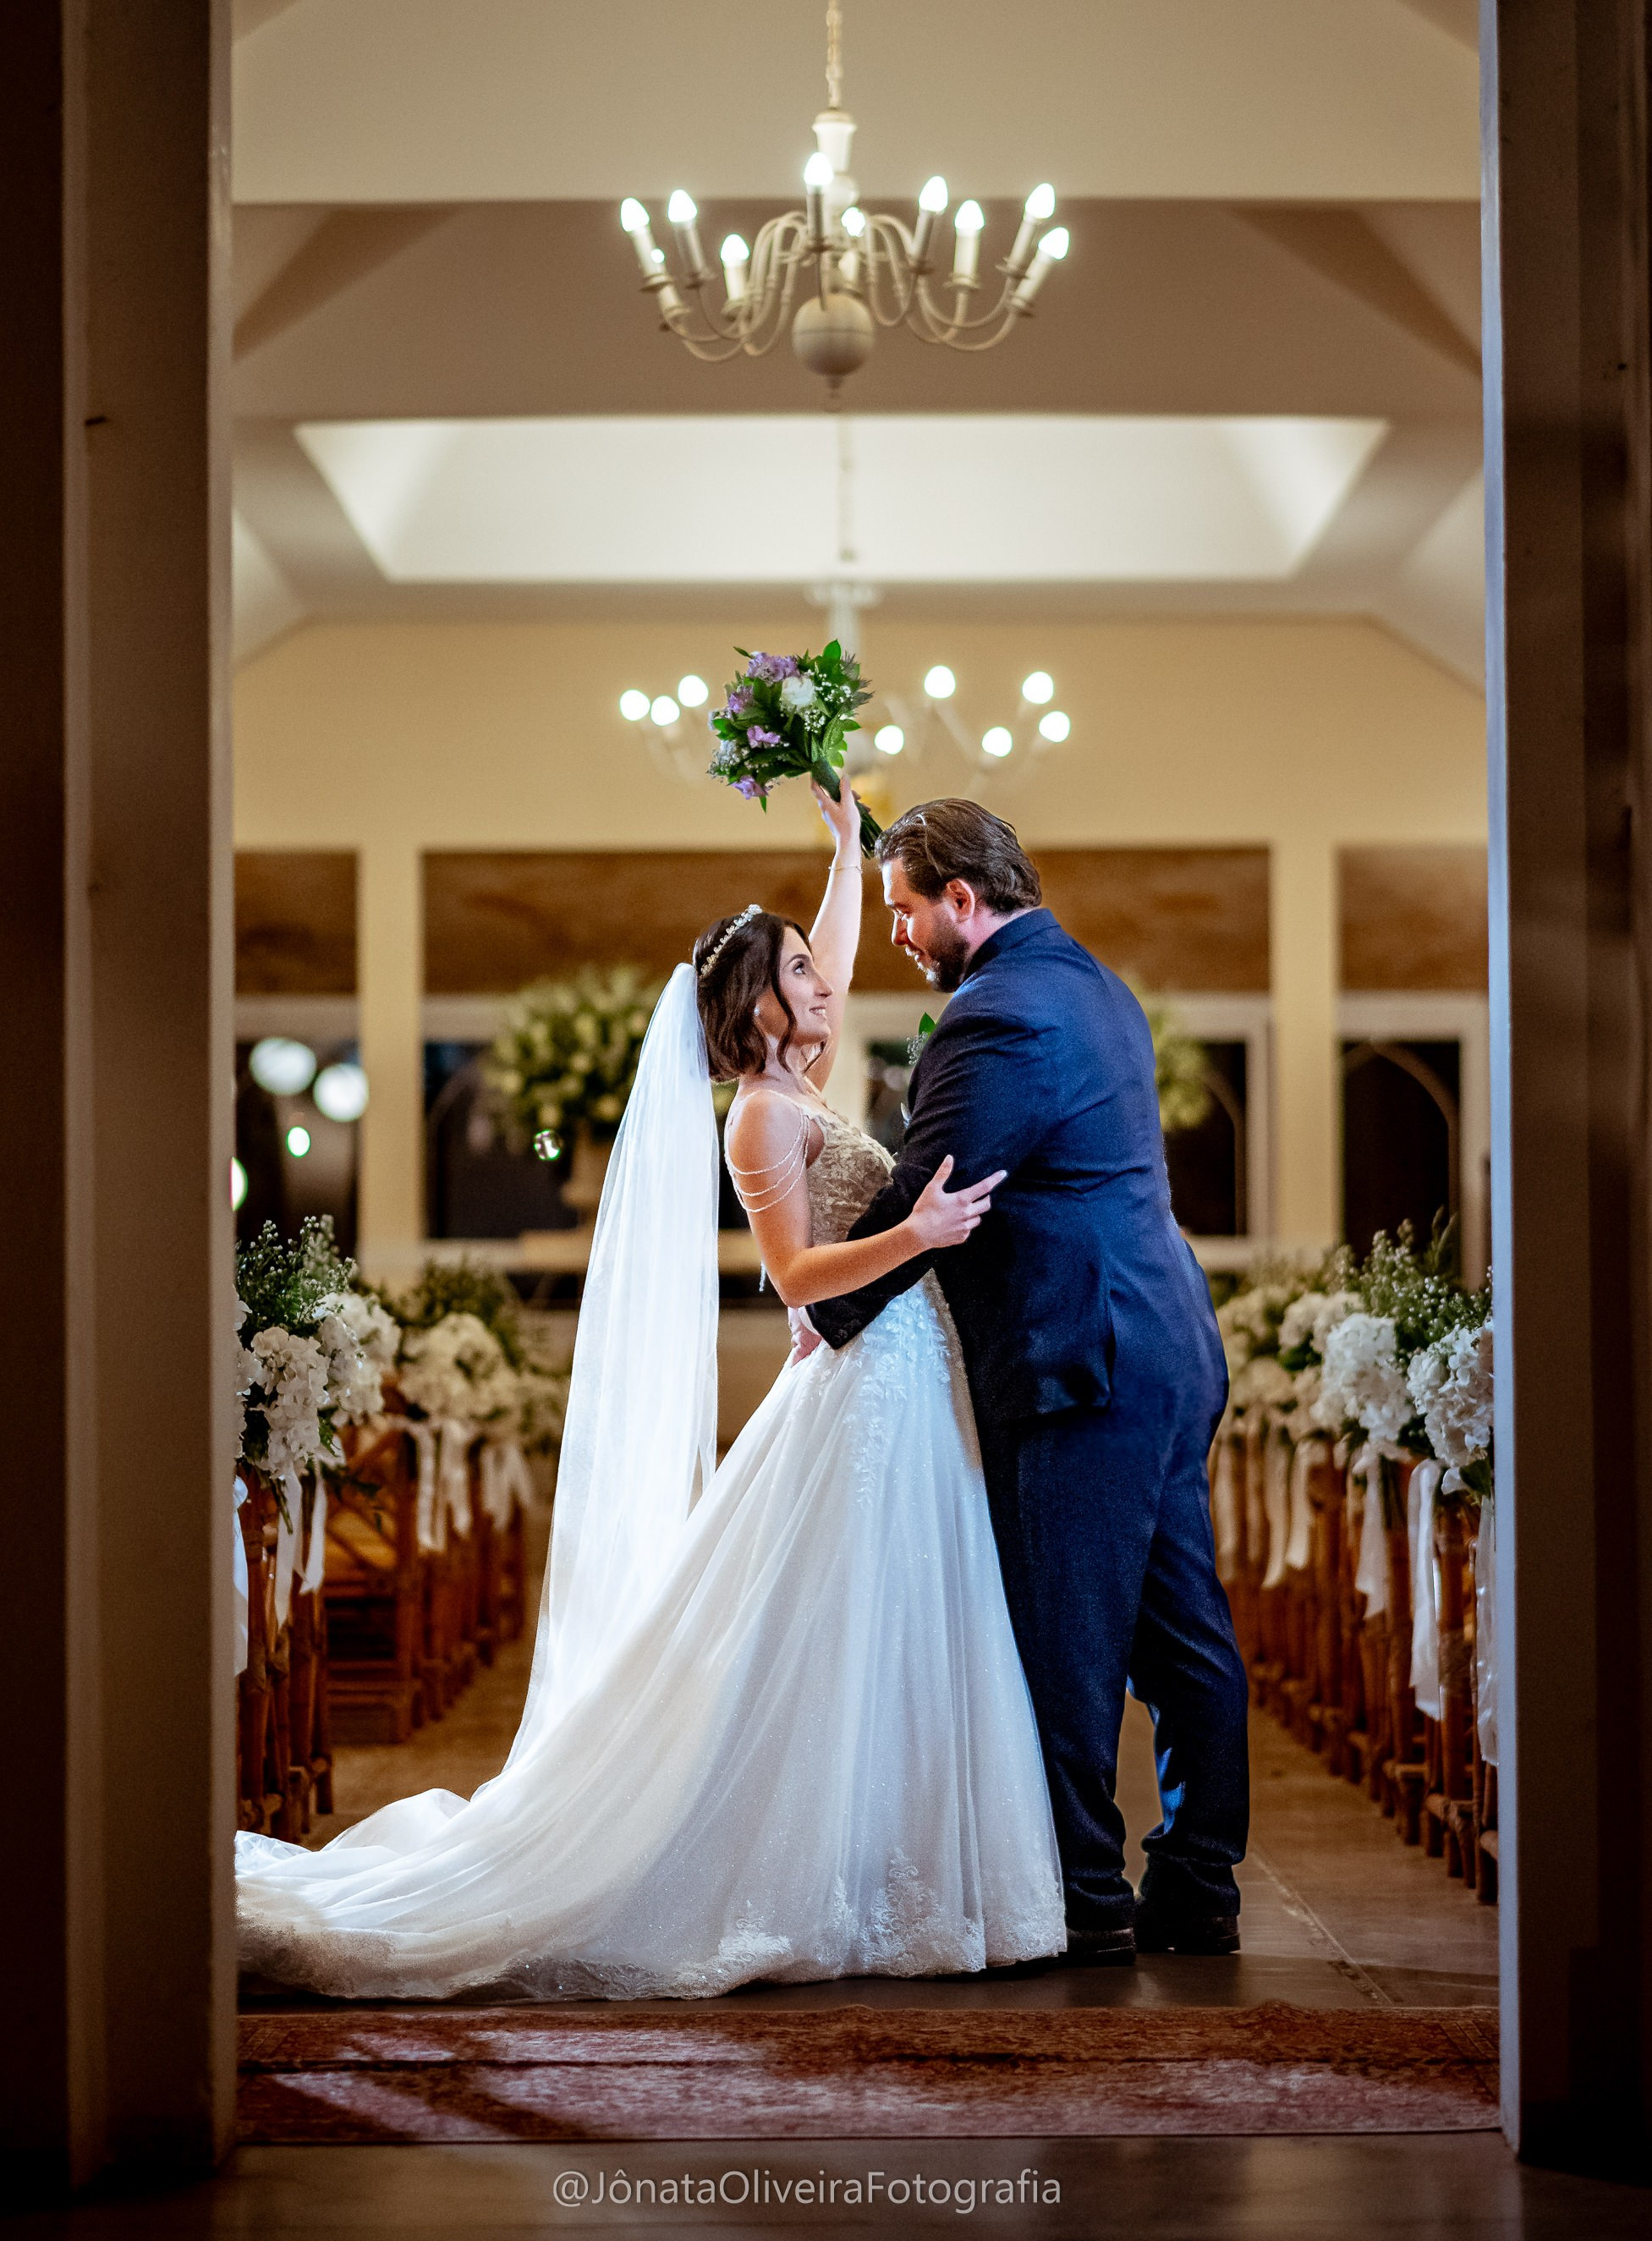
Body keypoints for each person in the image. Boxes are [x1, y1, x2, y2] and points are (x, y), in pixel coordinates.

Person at [233, 777, 1065, 2001]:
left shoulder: (808, 1074)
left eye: (816, 965)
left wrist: (844, 848)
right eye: (797, 970)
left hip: (901, 1374)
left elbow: (834, 952)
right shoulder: (759, 1121)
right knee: (843, 1628)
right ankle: (829, 1880)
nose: (825, 979)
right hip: (861, 1377)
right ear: (757, 1005)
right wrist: (919, 1232)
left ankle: (906, 1866)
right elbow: (796, 1275)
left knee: (900, 1617)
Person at [803, 799, 1249, 1964]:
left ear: (963, 897)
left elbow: (929, 1195)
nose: (900, 933)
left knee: (1065, 1640)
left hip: (1079, 1361)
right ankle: (1199, 1886)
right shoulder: (1095, 985)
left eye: (906, 908)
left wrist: (825, 1312)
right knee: (1181, 1628)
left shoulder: (995, 1018)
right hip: (1162, 1346)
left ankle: (1086, 1905)